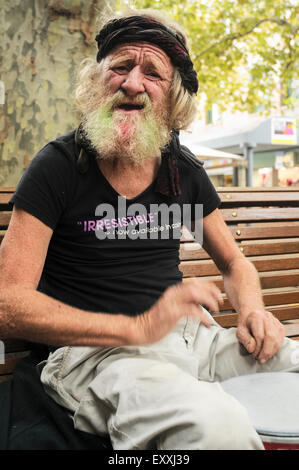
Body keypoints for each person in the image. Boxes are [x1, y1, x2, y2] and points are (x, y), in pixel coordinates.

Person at [0, 8, 298, 450]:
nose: (132, 83)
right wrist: (134, 328)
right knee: (217, 427)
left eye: (152, 73)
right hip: (99, 355)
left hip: (191, 339)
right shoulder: (59, 166)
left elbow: (234, 262)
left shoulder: (180, 170)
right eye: (120, 66)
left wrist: (253, 310)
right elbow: (8, 305)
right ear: (96, 81)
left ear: (172, 97)